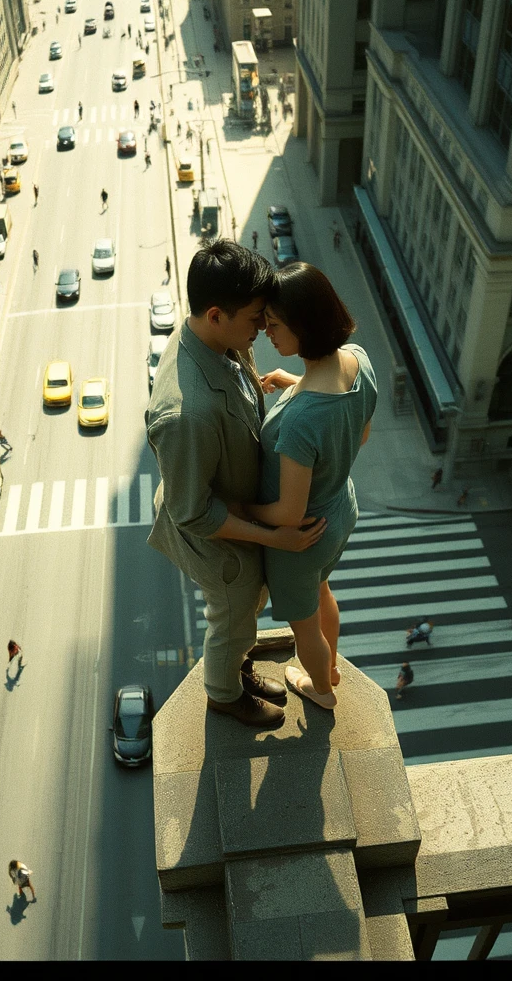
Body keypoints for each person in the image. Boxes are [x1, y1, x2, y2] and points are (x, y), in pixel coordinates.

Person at [145, 240, 327, 729]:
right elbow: (193, 513)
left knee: (246, 605)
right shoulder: (187, 413)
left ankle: (237, 662)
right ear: (215, 313)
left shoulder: (214, 341)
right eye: (254, 319)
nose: (262, 331)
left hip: (236, 503)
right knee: (234, 608)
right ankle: (224, 692)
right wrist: (274, 537)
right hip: (211, 526)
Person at [229, 262, 376, 712]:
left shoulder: (300, 422)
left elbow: (288, 514)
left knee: (304, 627)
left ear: (304, 326)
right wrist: (296, 384)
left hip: (302, 536)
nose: (266, 332)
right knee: (322, 592)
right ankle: (329, 668)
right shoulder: (358, 358)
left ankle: (322, 689)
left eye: (274, 325)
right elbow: (358, 430)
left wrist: (242, 508)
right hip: (339, 510)